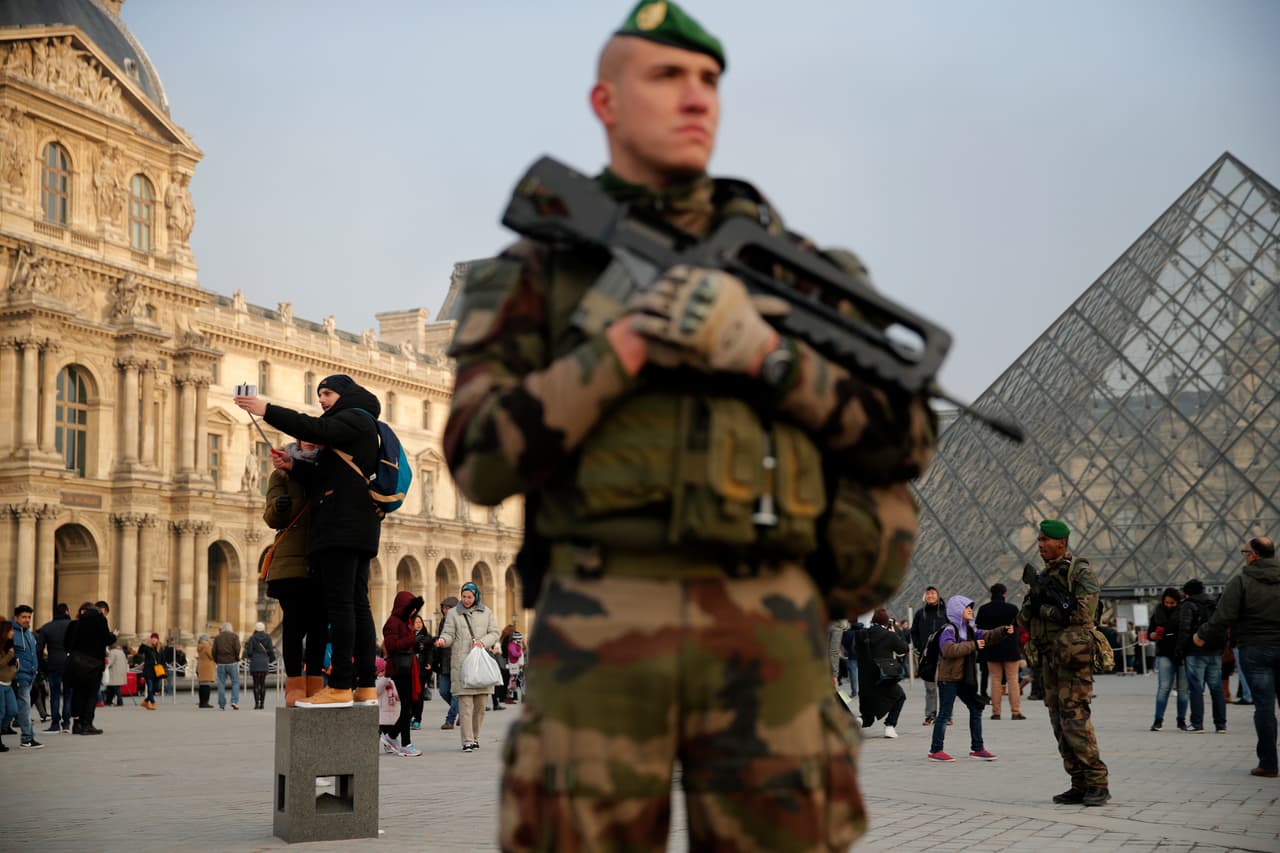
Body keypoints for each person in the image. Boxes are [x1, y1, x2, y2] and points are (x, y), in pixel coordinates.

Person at [443, 4, 933, 846]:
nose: (697, 96)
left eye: (710, 80)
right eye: (667, 76)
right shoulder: (539, 273)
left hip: (770, 624)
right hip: (597, 619)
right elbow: (478, 458)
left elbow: (906, 437)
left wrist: (766, 356)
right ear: (605, 101)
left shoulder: (798, 270)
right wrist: (626, 345)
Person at [237, 374, 383, 708]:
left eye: (327, 393)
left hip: (341, 527)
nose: (322, 400)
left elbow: (314, 429)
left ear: (345, 394)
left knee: (343, 605)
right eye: (319, 394)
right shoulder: (360, 423)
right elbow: (330, 476)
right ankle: (364, 685)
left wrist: (266, 409)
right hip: (357, 526)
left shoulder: (354, 418)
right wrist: (294, 467)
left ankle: (342, 685)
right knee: (358, 604)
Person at [1019, 519, 1110, 805]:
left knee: (1076, 719)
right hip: (1049, 660)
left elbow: (1083, 615)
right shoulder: (1044, 577)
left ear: (1062, 542)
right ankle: (1079, 783)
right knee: (1058, 722)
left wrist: (1043, 608)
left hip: (1072, 660)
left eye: (1045, 540)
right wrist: (1032, 604)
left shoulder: (1079, 573)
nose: (1041, 545)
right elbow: (1023, 619)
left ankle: (1097, 782)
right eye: (1039, 540)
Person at [1192, 536, 1280, 778]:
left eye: (1245, 552)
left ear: (1253, 555)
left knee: (1264, 707)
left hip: (1256, 648)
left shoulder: (1242, 581)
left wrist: (1202, 635)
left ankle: (1269, 764)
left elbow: (1224, 615)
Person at [263, 439, 329, 707]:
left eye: (314, 437)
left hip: (321, 557)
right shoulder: (280, 473)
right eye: (304, 438)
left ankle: (314, 683)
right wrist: (280, 506)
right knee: (292, 625)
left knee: (318, 628)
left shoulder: (329, 468)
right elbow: (270, 518)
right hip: (291, 561)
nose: (309, 441)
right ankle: (294, 686)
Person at [928, 596, 1009, 762]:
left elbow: (987, 636)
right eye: (967, 607)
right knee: (944, 714)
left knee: (976, 709)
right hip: (949, 678)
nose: (971, 610)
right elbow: (948, 650)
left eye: (971, 607)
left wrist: (1003, 630)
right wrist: (973, 645)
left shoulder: (970, 629)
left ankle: (977, 748)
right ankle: (935, 751)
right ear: (957, 610)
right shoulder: (949, 630)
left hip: (965, 679)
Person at [434, 583, 499, 752]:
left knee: (480, 708)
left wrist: (482, 642)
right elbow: (449, 634)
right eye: (464, 597)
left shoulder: (486, 612)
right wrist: (443, 640)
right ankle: (467, 740)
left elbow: (495, 632)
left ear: (476, 596)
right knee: (465, 706)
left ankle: (475, 737)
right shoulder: (454, 613)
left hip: (480, 665)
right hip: (462, 665)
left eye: (469, 597)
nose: (466, 600)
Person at [1178, 579, 1226, 734]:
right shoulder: (1214, 604)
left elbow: (1185, 630)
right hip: (1214, 651)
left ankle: (1197, 724)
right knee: (1217, 688)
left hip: (1195, 651)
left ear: (1188, 592)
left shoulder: (1188, 605)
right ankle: (1221, 725)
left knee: (1196, 689)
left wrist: (1179, 650)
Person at [382, 591, 424, 756]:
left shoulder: (406, 621)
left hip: (408, 666)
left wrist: (420, 645)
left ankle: (392, 736)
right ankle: (404, 743)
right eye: (410, 608)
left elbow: (407, 644)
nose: (413, 612)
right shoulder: (392, 622)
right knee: (407, 706)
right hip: (399, 668)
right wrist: (413, 640)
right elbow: (391, 646)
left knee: (410, 705)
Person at [856, 608, 909, 738]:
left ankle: (857, 722)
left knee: (868, 717)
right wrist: (893, 634)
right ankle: (890, 726)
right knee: (900, 696)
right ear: (886, 622)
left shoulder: (861, 634)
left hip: (865, 681)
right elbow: (904, 649)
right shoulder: (889, 635)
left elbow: (853, 650)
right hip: (883, 679)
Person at [64, 602, 115, 734]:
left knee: (78, 693)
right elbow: (106, 639)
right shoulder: (100, 619)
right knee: (91, 694)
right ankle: (87, 723)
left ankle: (76, 724)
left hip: (77, 662)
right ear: (102, 610)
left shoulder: (77, 623)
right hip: (94, 663)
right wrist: (114, 635)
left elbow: (67, 643)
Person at [976, 583, 1024, 721]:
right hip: (1010, 649)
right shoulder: (1012, 609)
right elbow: (1019, 626)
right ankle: (1016, 712)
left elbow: (979, 628)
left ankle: (996, 712)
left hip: (992, 648)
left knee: (995, 681)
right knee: (1013, 680)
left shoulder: (984, 609)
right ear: (1004, 593)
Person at [1149, 587, 1188, 731]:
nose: (1169, 605)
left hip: (1182, 653)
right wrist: (1153, 635)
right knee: (1164, 688)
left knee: (1183, 690)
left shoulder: (1184, 611)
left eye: (1172, 603)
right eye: (1167, 602)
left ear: (1178, 602)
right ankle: (1158, 720)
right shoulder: (1158, 612)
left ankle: (1181, 720)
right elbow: (1150, 632)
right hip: (1164, 653)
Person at [911, 587, 948, 725]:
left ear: (938, 595)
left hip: (944, 654)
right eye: (928, 593)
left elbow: (953, 629)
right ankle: (930, 715)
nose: (930, 595)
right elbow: (914, 631)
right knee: (930, 687)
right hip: (927, 656)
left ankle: (946, 715)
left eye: (933, 593)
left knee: (945, 685)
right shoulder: (920, 614)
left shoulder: (946, 612)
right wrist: (919, 647)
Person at [35, 602, 73, 734]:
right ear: (67, 612)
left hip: (53, 664)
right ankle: (67, 723)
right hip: (69, 664)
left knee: (54, 695)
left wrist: (41, 665)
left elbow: (39, 650)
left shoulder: (47, 628)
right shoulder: (73, 626)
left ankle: (55, 723)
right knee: (68, 694)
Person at [12, 605, 42, 748]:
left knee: (13, 709)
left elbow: (32, 654)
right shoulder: (12, 633)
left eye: (29, 617)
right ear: (16, 618)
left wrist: (35, 671)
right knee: (24, 708)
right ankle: (27, 738)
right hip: (19, 676)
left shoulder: (29, 634)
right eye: (23, 617)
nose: (27, 620)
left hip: (30, 675)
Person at [432, 597, 460, 730]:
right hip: (444, 663)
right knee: (443, 691)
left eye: (448, 608)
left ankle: (450, 719)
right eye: (444, 608)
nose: (445, 610)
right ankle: (462, 711)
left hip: (457, 662)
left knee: (455, 693)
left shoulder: (460, 621)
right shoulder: (443, 622)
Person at [243, 622, 277, 710]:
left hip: (255, 662)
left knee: (255, 684)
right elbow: (270, 650)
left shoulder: (252, 638)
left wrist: (252, 656)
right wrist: (271, 659)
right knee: (262, 684)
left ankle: (256, 704)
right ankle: (262, 703)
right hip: (264, 662)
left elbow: (249, 652)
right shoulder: (268, 637)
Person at [410, 614, 433, 729]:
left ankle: (417, 719)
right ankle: (410, 715)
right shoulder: (407, 636)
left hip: (421, 669)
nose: (418, 624)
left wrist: (429, 663)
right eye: (416, 622)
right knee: (409, 694)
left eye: (420, 622)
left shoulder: (426, 637)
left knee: (418, 694)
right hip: (409, 668)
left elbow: (429, 651)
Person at [212, 622, 241, 710]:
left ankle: (221, 704)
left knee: (221, 683)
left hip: (221, 663)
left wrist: (216, 660)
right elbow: (237, 648)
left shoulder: (217, 638)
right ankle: (234, 701)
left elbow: (213, 651)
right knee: (235, 682)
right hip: (232, 662)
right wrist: (236, 658)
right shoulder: (234, 636)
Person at [132, 632, 164, 710]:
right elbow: (139, 652)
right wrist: (144, 643)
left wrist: (164, 671)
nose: (153, 640)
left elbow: (163, 660)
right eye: (152, 638)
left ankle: (145, 701)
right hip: (148, 670)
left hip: (157, 671)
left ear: (157, 640)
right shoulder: (146, 648)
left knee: (155, 688)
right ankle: (153, 703)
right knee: (150, 687)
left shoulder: (161, 649)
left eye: (155, 638)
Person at [0, 618, 17, 752]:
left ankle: (3, 728)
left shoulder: (9, 645)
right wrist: (10, 655)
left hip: (8, 683)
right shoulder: (3, 649)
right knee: (1, 712)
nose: (13, 633)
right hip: (0, 684)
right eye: (11, 630)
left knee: (12, 710)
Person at [104, 642, 128, 707]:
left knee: (116, 687)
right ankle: (108, 701)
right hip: (120, 672)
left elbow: (109, 662)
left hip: (114, 672)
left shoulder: (112, 652)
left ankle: (120, 702)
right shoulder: (121, 652)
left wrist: (105, 665)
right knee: (111, 688)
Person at [196, 632, 216, 709]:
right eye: (209, 639)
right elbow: (212, 656)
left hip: (201, 666)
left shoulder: (200, 646)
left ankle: (201, 702)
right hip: (207, 667)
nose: (210, 640)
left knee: (202, 685)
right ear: (206, 639)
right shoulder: (206, 646)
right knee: (206, 686)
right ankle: (205, 702)